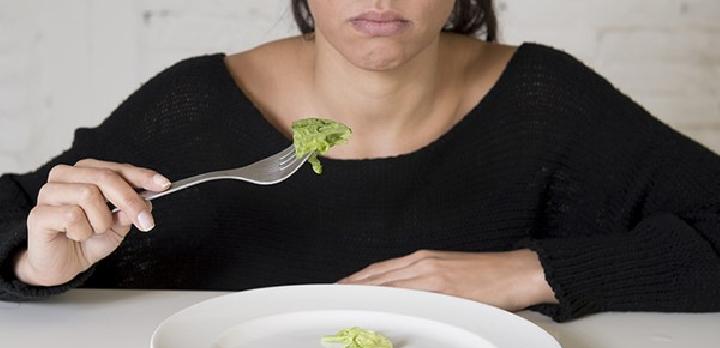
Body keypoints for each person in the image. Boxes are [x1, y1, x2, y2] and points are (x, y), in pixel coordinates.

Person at [1, 0, 718, 322]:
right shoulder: (192, 103)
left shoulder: (548, 100)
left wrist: (528, 272)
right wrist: (37, 263)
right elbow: (22, 216)